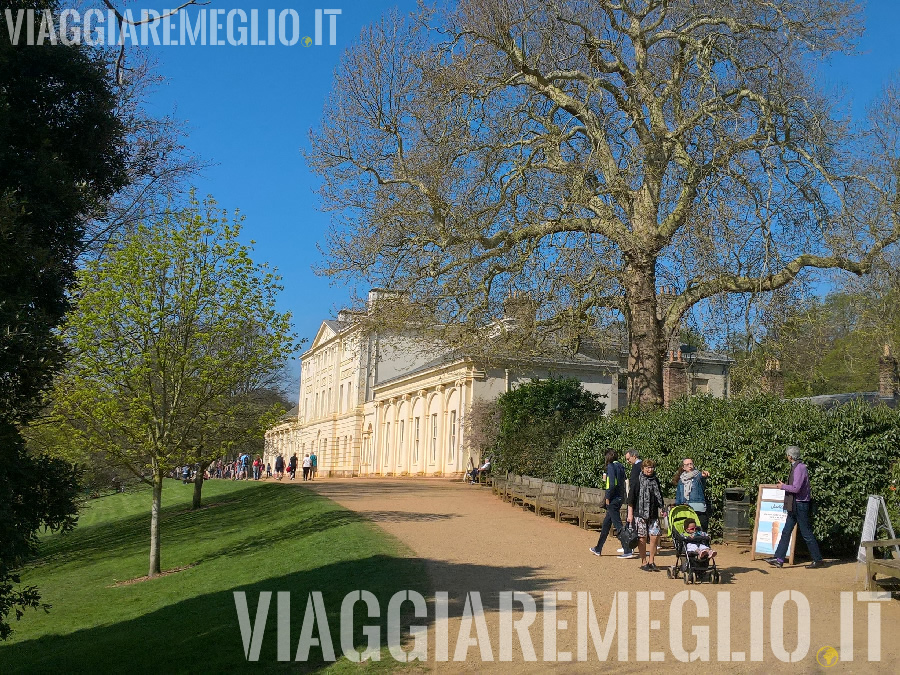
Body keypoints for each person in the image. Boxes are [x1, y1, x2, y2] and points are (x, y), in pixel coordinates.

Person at [766, 445, 825, 569]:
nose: (787, 456)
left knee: (806, 533)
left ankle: (818, 559)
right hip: (795, 504)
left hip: (800, 504)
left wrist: (783, 486)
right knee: (786, 531)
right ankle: (779, 558)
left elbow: (796, 488)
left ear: (790, 456)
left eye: (787, 455)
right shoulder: (797, 467)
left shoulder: (799, 468)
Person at [627, 458, 667, 571]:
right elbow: (630, 500)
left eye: (651, 467)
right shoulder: (637, 481)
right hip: (640, 514)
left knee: (655, 537)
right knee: (642, 538)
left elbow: (659, 496)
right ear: (643, 468)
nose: (649, 470)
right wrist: (630, 516)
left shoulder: (655, 480)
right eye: (647, 467)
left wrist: (662, 508)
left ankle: (651, 560)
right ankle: (643, 561)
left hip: (653, 513)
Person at [589, 450, 627, 557]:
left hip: (613, 499)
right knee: (606, 524)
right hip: (620, 497)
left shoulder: (610, 466)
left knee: (618, 524)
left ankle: (627, 548)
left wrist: (607, 497)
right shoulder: (620, 466)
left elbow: (611, 484)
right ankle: (598, 548)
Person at [615, 449, 642, 559]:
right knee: (631, 522)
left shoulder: (637, 467)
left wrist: (630, 498)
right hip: (638, 498)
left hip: (636, 498)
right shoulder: (640, 465)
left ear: (634, 456)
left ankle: (628, 545)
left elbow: (634, 484)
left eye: (628, 459)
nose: (627, 461)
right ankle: (628, 544)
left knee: (631, 522)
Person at [673, 458, 710, 532]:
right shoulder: (681, 480)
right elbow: (679, 496)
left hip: (699, 509)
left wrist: (704, 475)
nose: (690, 466)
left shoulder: (698, 476)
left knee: (701, 530)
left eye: (691, 464)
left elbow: (702, 477)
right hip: (686, 509)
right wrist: (677, 507)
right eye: (687, 464)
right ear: (683, 467)